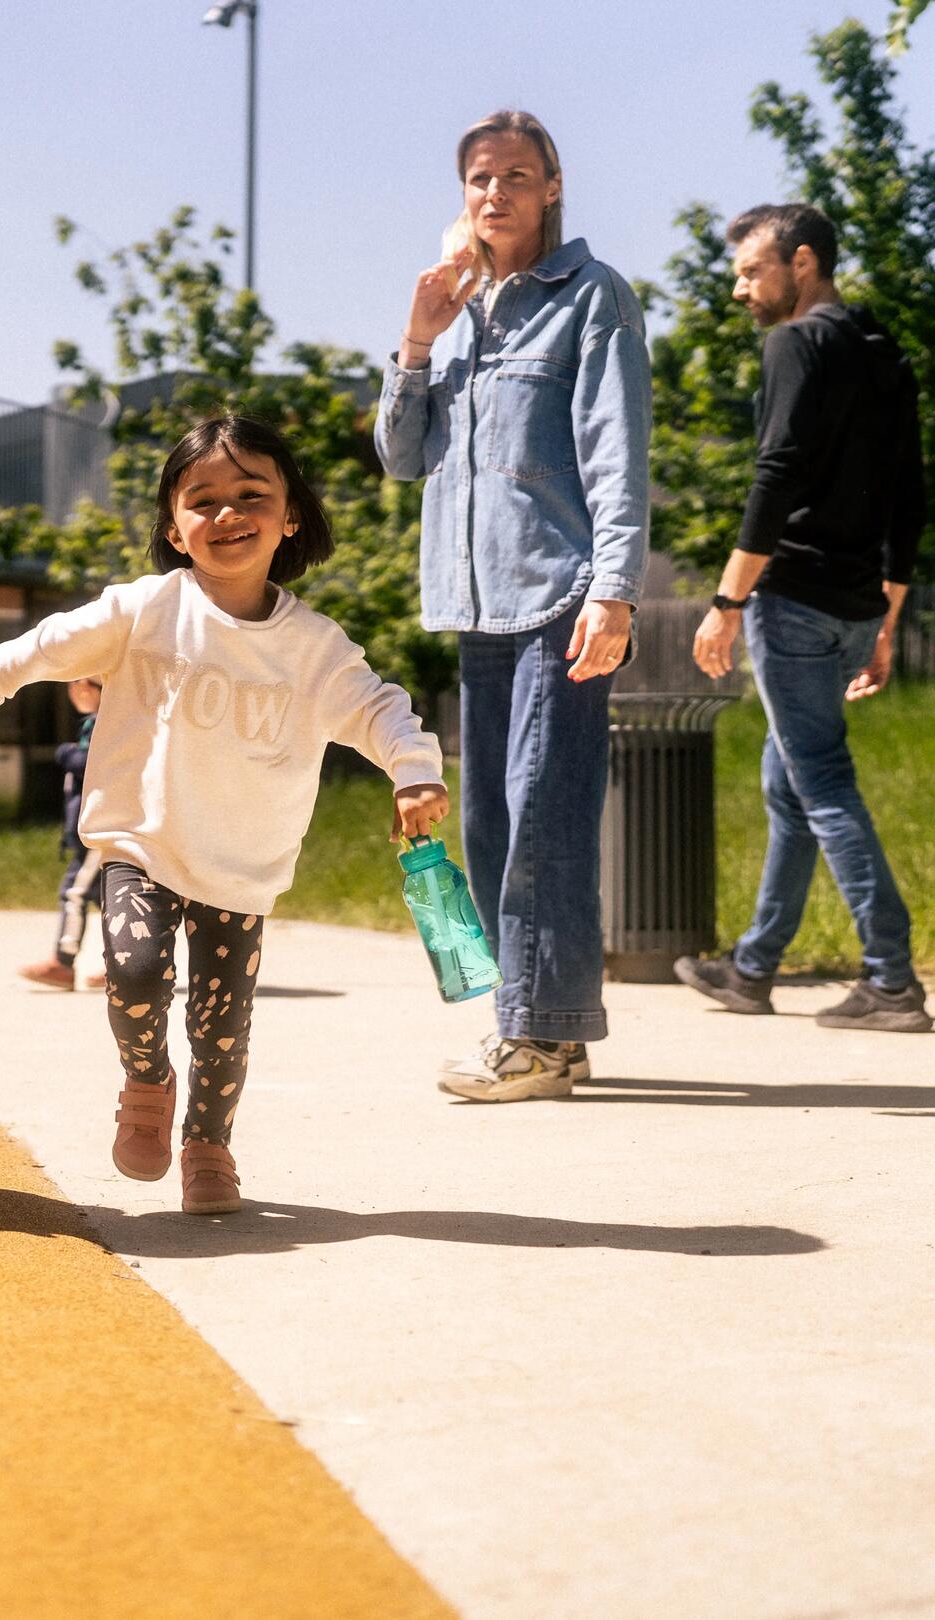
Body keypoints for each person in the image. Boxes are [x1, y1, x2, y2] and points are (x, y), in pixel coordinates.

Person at [0, 416, 446, 1215]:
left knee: (222, 1023)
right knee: (132, 973)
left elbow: (380, 709)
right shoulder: (143, 610)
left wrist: (413, 773)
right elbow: (38, 648)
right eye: (202, 500)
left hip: (242, 862)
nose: (227, 514)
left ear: (291, 515)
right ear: (174, 525)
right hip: (143, 840)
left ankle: (209, 1146)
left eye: (251, 495)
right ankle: (146, 1083)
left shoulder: (314, 645)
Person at [375, 108, 651, 1102]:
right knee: (494, 823)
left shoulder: (591, 299)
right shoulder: (459, 322)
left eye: (518, 175)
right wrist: (416, 339)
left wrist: (614, 591)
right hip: (474, 608)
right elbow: (402, 461)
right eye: (481, 178)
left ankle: (535, 1039)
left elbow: (617, 455)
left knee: (546, 817)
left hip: (560, 595)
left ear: (552, 187)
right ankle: (544, 1029)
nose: (497, 192)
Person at [678, 204, 929, 1033]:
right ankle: (753, 968)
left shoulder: (796, 343)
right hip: (856, 605)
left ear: (804, 263)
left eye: (753, 271)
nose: (741, 288)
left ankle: (891, 978)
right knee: (789, 780)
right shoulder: (882, 350)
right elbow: (910, 496)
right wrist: (887, 618)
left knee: (819, 780)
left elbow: (776, 472)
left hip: (792, 601)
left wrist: (726, 601)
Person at [18, 677, 108, 991]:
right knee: (106, 898)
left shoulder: (104, 722)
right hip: (91, 827)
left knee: (75, 892)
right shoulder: (98, 722)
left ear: (88, 688)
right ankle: (125, 966)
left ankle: (63, 963)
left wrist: (66, 754)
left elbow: (94, 763)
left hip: (98, 829)